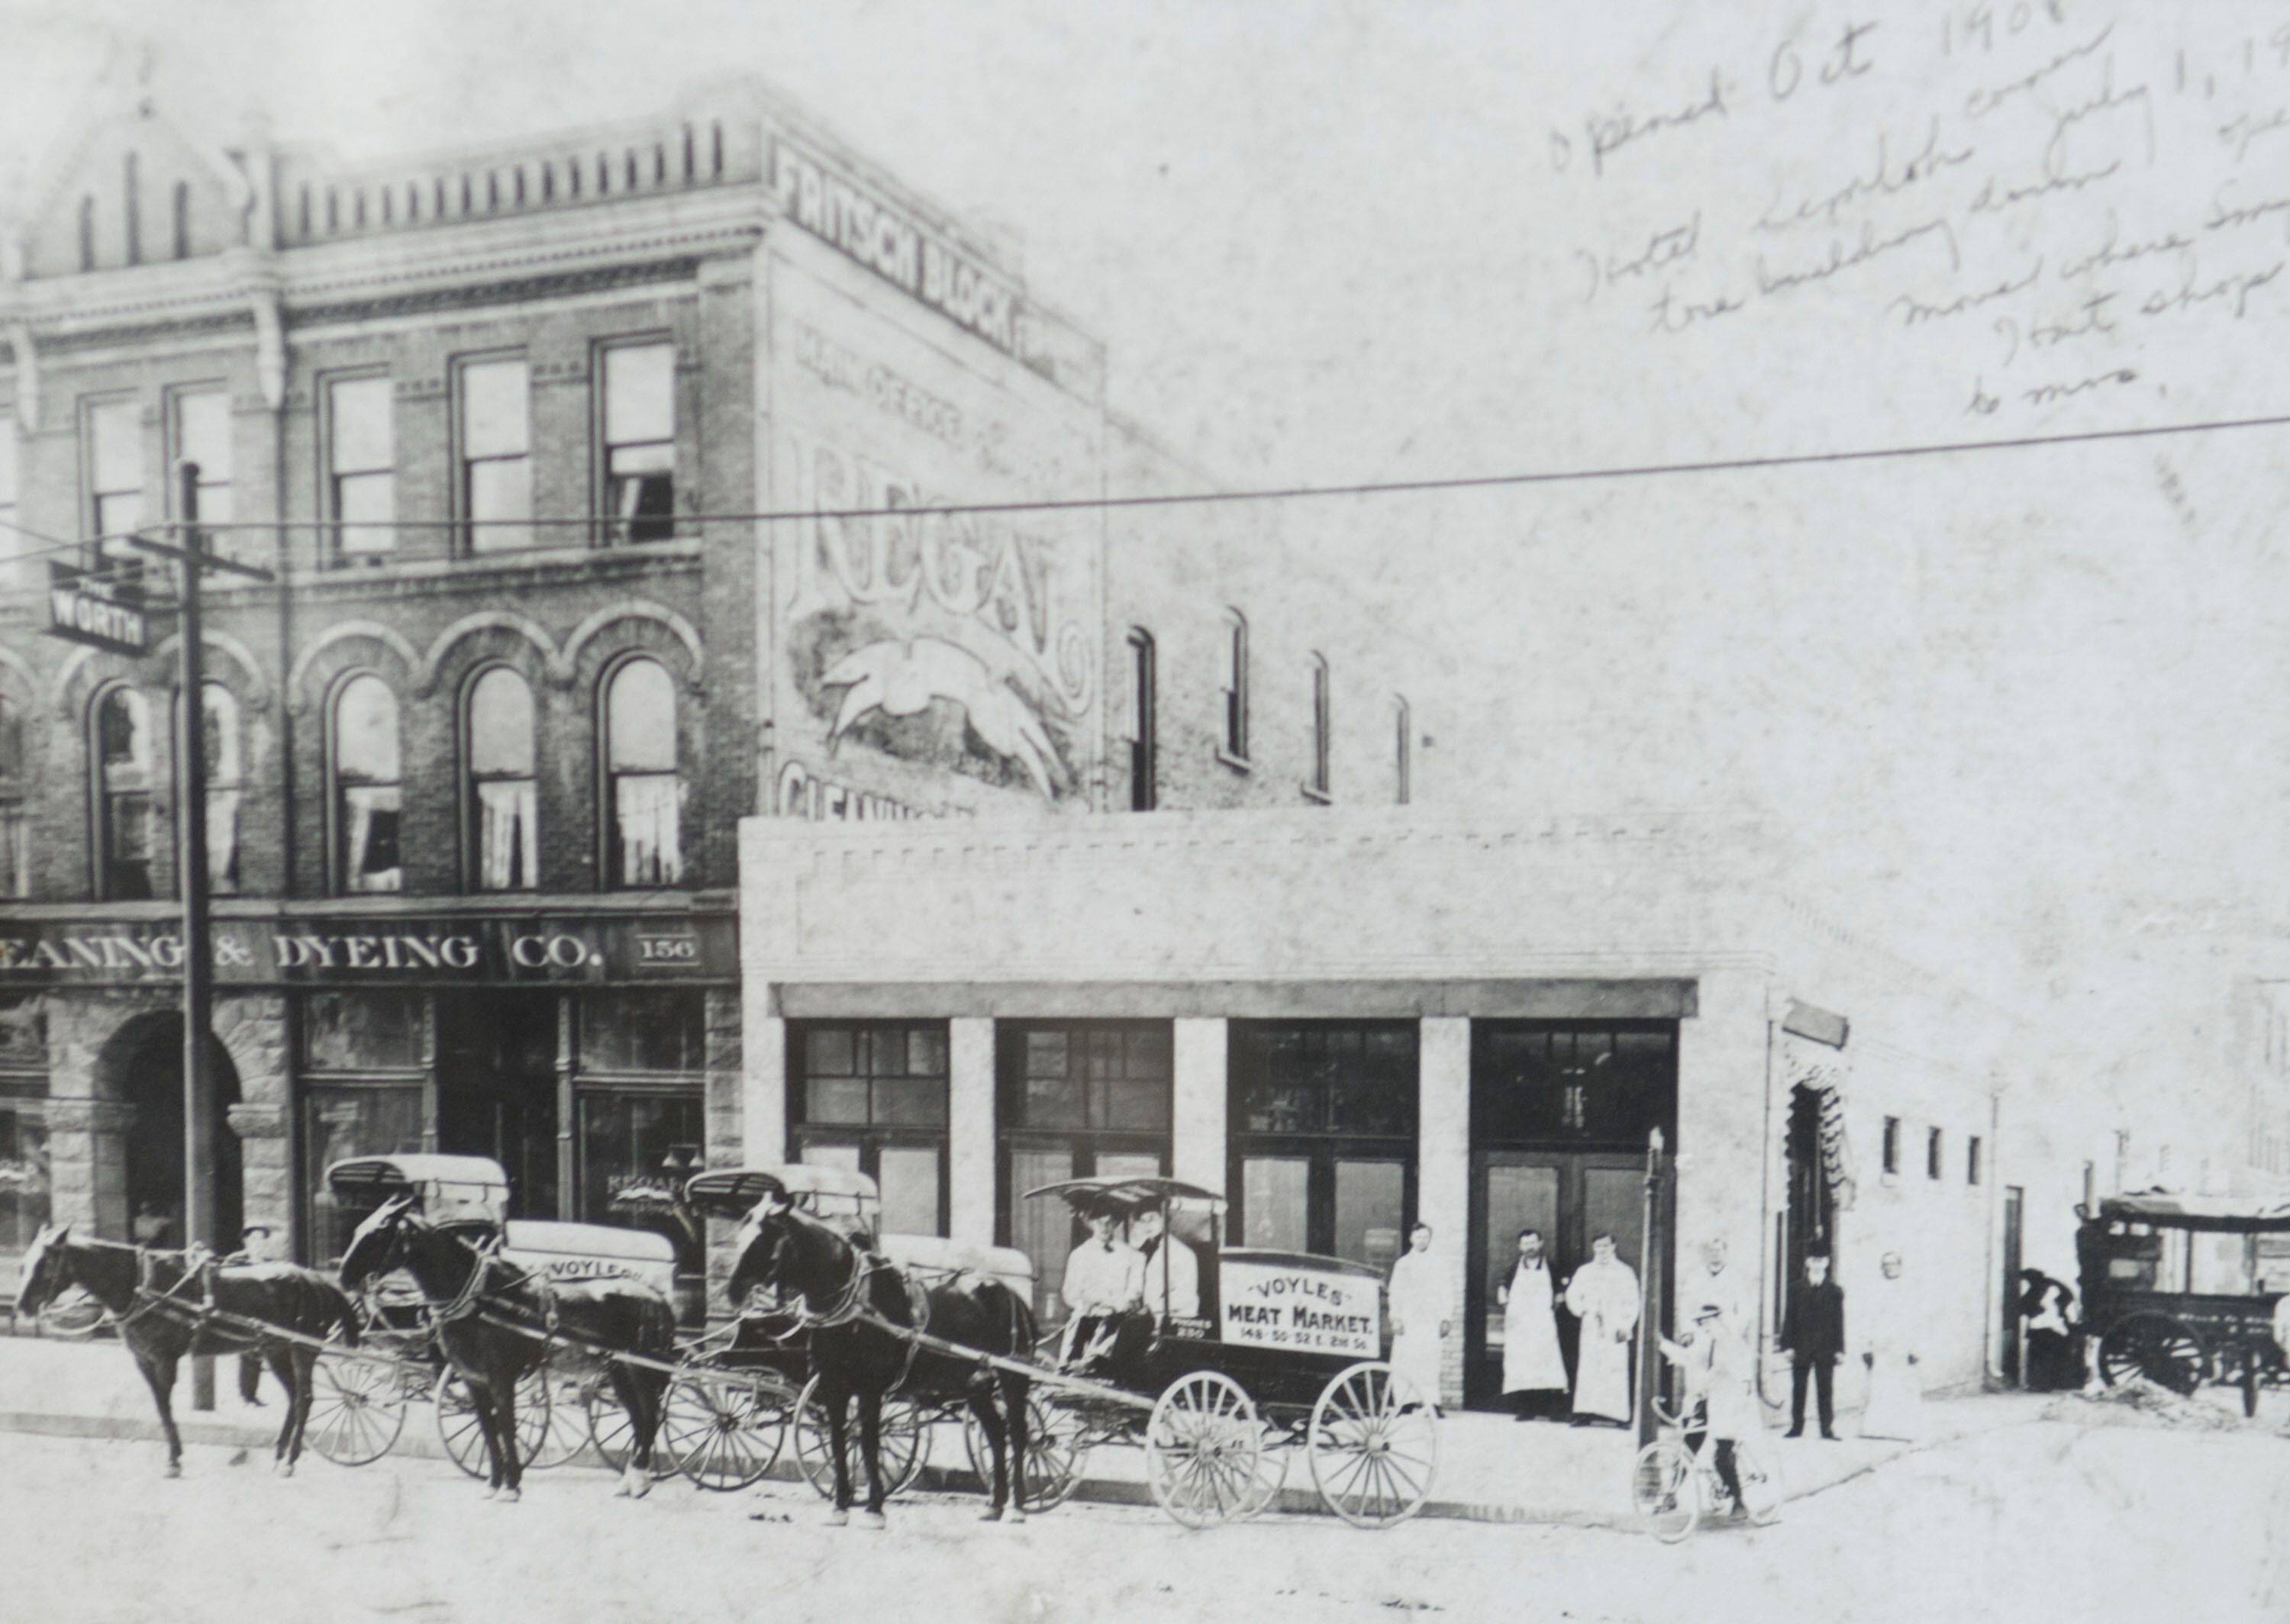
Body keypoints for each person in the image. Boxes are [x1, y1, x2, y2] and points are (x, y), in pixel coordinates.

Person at [1659, 1301, 1757, 1518]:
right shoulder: (1707, 1342)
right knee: (1689, 1444)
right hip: (1710, 1400)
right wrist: (1662, 1344)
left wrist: (1699, 1391)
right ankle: (1670, 1494)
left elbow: (1720, 1371)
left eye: (1708, 1322)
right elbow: (1688, 1357)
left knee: (1722, 1454)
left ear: (1719, 1320)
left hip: (1732, 1403)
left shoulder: (1731, 1343)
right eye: (1701, 1323)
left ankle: (1739, 1502)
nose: (1704, 1327)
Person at [1563, 1232, 1639, 1426]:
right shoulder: (1585, 1271)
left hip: (1615, 1327)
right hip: (1591, 1326)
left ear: (1613, 1247)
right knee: (1589, 1369)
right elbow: (1572, 1295)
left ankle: (1620, 1416)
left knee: (1614, 1370)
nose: (1602, 1250)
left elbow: (1633, 1302)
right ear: (1593, 1248)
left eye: (1606, 1246)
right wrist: (1583, 1310)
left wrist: (1626, 1325)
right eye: (1598, 1246)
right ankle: (1585, 1413)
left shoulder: (1624, 1272)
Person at [1059, 1201, 1143, 1369]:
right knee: (1079, 1323)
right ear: (1090, 1223)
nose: (1104, 1227)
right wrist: (1087, 1304)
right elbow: (1070, 1292)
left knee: (1114, 1324)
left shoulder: (1131, 1255)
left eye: (1109, 1222)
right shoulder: (1080, 1255)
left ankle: (1093, 1365)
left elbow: (1135, 1289)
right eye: (1099, 1222)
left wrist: (1119, 1304)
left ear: (1116, 1224)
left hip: (1117, 1317)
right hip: (1088, 1315)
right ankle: (1070, 1366)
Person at [1498, 1228, 1568, 1420]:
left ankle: (1554, 1411)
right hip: (1521, 1326)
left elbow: (1560, 1293)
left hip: (1543, 1325)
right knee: (1524, 1367)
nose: (1530, 1247)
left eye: (1533, 1243)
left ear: (1540, 1243)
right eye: (1526, 1243)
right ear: (1520, 1246)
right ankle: (1526, 1410)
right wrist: (1509, 1309)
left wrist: (1552, 1309)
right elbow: (1503, 1290)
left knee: (1548, 1365)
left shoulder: (1552, 1268)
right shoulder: (1513, 1269)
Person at [1386, 1222, 1451, 1413]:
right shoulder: (1403, 1264)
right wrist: (1395, 1318)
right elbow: (1395, 1293)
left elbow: (1446, 1292)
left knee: (1430, 1361)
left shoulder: (1439, 1264)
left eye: (1425, 1237)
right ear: (1411, 1239)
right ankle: (1405, 1403)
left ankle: (1432, 1403)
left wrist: (1445, 1318)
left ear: (1430, 1239)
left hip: (1430, 1320)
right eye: (1418, 1237)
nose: (1422, 1240)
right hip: (1408, 1319)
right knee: (1404, 1360)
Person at [1779, 1251, 1845, 1439]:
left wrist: (1840, 1350)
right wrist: (1787, 1346)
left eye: (1821, 1260)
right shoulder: (1796, 1288)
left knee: (1825, 1388)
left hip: (1825, 1348)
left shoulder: (1834, 1291)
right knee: (1799, 1388)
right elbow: (1789, 1318)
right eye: (1813, 1260)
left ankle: (1826, 1428)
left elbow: (1838, 1322)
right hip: (1801, 1346)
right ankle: (1796, 1427)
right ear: (1807, 1262)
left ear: (1827, 1263)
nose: (1817, 1264)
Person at [1859, 1250, 1923, 1441]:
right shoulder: (1875, 1290)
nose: (1889, 1267)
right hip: (1880, 1346)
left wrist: (1916, 1348)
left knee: (1903, 1387)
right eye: (1885, 1264)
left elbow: (1917, 1320)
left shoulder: (1910, 1290)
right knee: (1880, 1387)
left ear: (1900, 1266)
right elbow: (1868, 1319)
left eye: (1892, 1264)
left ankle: (1903, 1430)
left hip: (1902, 1346)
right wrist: (1866, 1347)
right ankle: (1877, 1429)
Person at [1133, 1203, 1200, 1321]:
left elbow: (1185, 1295)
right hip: (1148, 1318)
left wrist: (1151, 1307)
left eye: (1152, 1219)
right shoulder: (1142, 1251)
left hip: (1177, 1318)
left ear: (1164, 1219)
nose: (1148, 1225)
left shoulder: (1182, 1253)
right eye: (1143, 1221)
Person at [2017, 1268, 2078, 1393]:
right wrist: (2062, 1311)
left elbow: (2027, 1305)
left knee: (2041, 1357)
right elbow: (2068, 1296)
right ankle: (2053, 1384)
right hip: (2055, 1327)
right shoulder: (2051, 1284)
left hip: (2044, 1328)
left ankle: (2041, 1385)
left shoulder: (2040, 1287)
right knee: (2052, 1356)